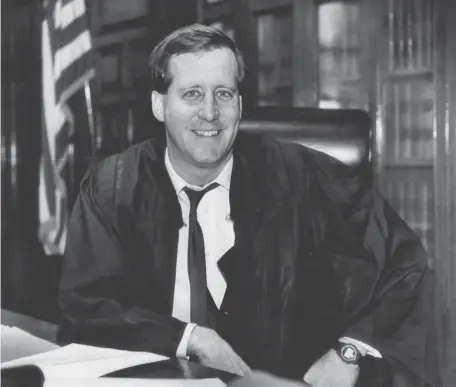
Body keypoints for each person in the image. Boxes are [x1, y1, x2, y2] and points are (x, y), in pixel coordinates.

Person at [57, 24, 440, 387]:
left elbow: (404, 264)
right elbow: (86, 306)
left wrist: (349, 351)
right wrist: (190, 338)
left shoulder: (300, 177)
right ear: (159, 105)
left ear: (239, 105)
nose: (210, 112)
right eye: (192, 94)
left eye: (223, 94)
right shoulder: (113, 187)